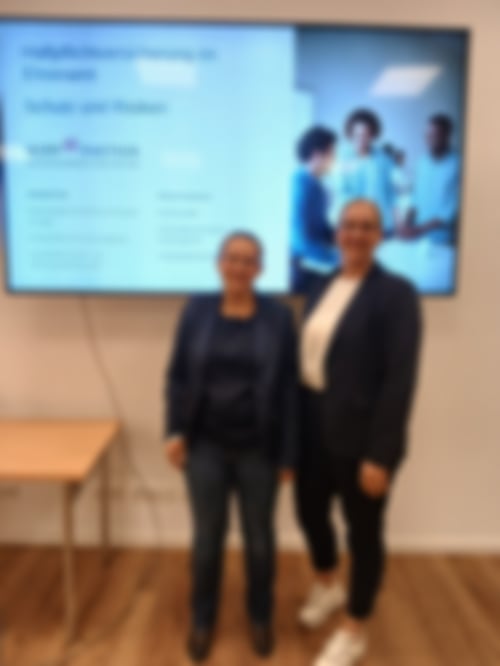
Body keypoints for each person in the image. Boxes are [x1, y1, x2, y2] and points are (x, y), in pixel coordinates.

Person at [295, 199, 422, 666]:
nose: (356, 233)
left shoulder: (396, 294)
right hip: (313, 427)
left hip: (363, 438)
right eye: (349, 225)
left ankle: (354, 627)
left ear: (380, 235)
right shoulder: (322, 284)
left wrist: (381, 455)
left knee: (363, 533)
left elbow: (399, 379)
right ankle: (328, 584)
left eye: (367, 226)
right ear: (337, 232)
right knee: (309, 513)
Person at [164, 231, 297, 662]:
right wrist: (174, 431)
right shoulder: (196, 309)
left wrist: (289, 454)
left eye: (249, 260)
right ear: (219, 263)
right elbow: (177, 376)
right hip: (205, 447)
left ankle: (260, 616)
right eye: (232, 258)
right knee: (207, 540)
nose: (239, 267)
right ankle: (202, 619)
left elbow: (289, 390)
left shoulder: (279, 318)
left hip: (260, 449)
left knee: (260, 541)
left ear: (260, 269)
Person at [291, 126, 338, 293]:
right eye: (332, 154)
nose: (334, 159)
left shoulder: (318, 186)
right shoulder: (299, 184)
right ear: (317, 154)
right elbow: (300, 240)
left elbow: (321, 228)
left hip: (314, 263)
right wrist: (337, 259)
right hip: (301, 270)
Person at [332, 109, 394, 233]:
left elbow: (391, 194)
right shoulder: (342, 158)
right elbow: (341, 191)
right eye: (357, 135)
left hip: (380, 224)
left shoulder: (384, 160)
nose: (361, 140)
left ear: (373, 135)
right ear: (351, 134)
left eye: (366, 135)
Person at [402, 113, 460, 244]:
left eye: (435, 135)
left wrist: (419, 229)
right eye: (427, 135)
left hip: (443, 240)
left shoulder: (458, 164)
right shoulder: (421, 162)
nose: (429, 139)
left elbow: (451, 211)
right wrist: (406, 224)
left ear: (447, 135)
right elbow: (415, 198)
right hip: (418, 238)